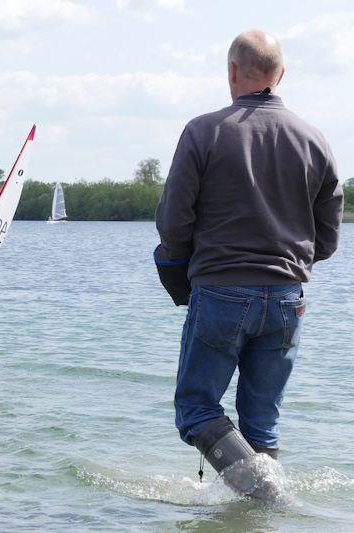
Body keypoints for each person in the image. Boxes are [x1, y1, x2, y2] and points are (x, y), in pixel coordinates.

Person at [154, 29, 343, 492]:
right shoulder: (313, 138)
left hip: (220, 290)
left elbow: (174, 222)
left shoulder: (204, 130)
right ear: (280, 75)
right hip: (287, 299)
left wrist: (179, 268)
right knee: (262, 425)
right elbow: (329, 232)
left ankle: (267, 500)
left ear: (232, 71)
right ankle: (262, 516)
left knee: (197, 410)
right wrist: (292, 262)